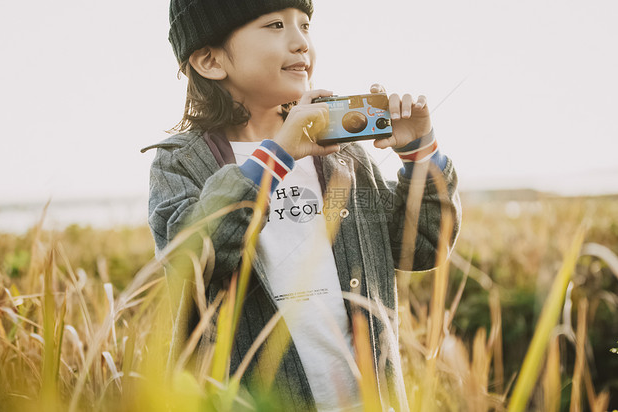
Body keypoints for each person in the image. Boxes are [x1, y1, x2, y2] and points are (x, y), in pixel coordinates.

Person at [141, 1, 461, 410]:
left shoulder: (342, 155)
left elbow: (419, 249)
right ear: (209, 60)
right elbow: (191, 257)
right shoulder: (181, 162)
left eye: (305, 25)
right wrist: (278, 155)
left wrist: (421, 154)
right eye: (276, 25)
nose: (300, 42)